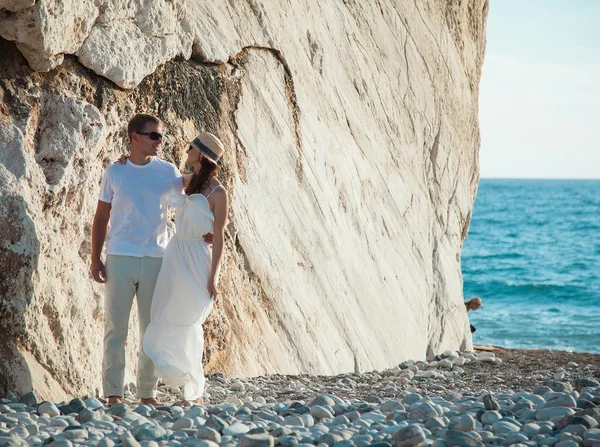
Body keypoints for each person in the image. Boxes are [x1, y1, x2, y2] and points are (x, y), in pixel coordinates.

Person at [91, 114, 183, 407]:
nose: (160, 141)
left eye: (161, 136)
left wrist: (208, 230)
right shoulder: (114, 172)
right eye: (154, 136)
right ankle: (113, 394)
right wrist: (95, 257)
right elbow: (101, 217)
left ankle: (147, 393)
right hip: (120, 257)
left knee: (150, 330)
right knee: (115, 329)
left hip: (156, 259)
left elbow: (187, 205)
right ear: (135, 137)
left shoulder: (168, 171)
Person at [143, 132, 229, 406]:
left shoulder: (219, 193)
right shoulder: (189, 182)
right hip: (175, 256)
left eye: (191, 147)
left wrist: (213, 278)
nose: (187, 150)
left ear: (201, 155)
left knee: (190, 322)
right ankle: (180, 386)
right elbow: (158, 183)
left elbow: (220, 237)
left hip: (198, 261)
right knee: (166, 314)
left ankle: (195, 392)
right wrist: (127, 161)